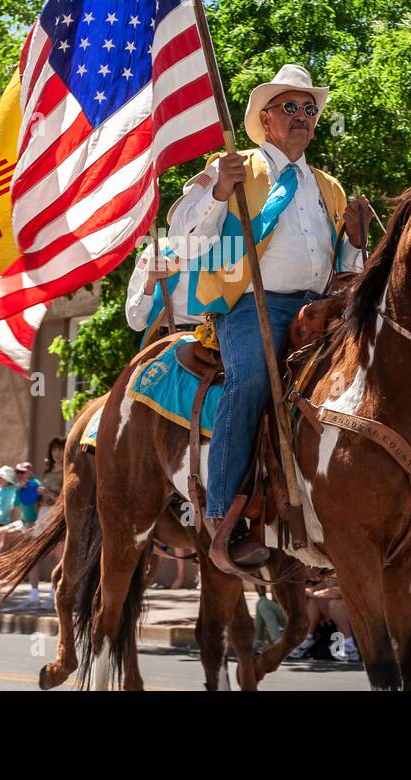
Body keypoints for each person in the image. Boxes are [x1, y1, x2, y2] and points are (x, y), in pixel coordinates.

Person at [169, 64, 368, 566]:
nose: (303, 116)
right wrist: (217, 192)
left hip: (320, 307)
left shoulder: (330, 187)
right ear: (266, 118)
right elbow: (183, 239)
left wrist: (358, 245)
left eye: (310, 109)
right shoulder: (232, 169)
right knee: (253, 378)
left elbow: (343, 265)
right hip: (250, 304)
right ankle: (224, 512)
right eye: (291, 107)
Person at [287, 574, 360, 664]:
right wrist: (310, 592)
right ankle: (307, 639)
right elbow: (313, 590)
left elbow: (337, 592)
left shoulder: (349, 576)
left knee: (334, 604)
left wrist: (314, 593)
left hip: (356, 616)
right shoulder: (330, 577)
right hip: (334, 621)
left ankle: (350, 646)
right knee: (316, 600)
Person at [38, 438, 65, 506]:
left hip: (59, 511)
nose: (57, 453)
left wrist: (48, 493)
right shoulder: (47, 472)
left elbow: (65, 497)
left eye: (60, 450)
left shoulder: (67, 472)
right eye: (54, 450)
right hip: (44, 510)